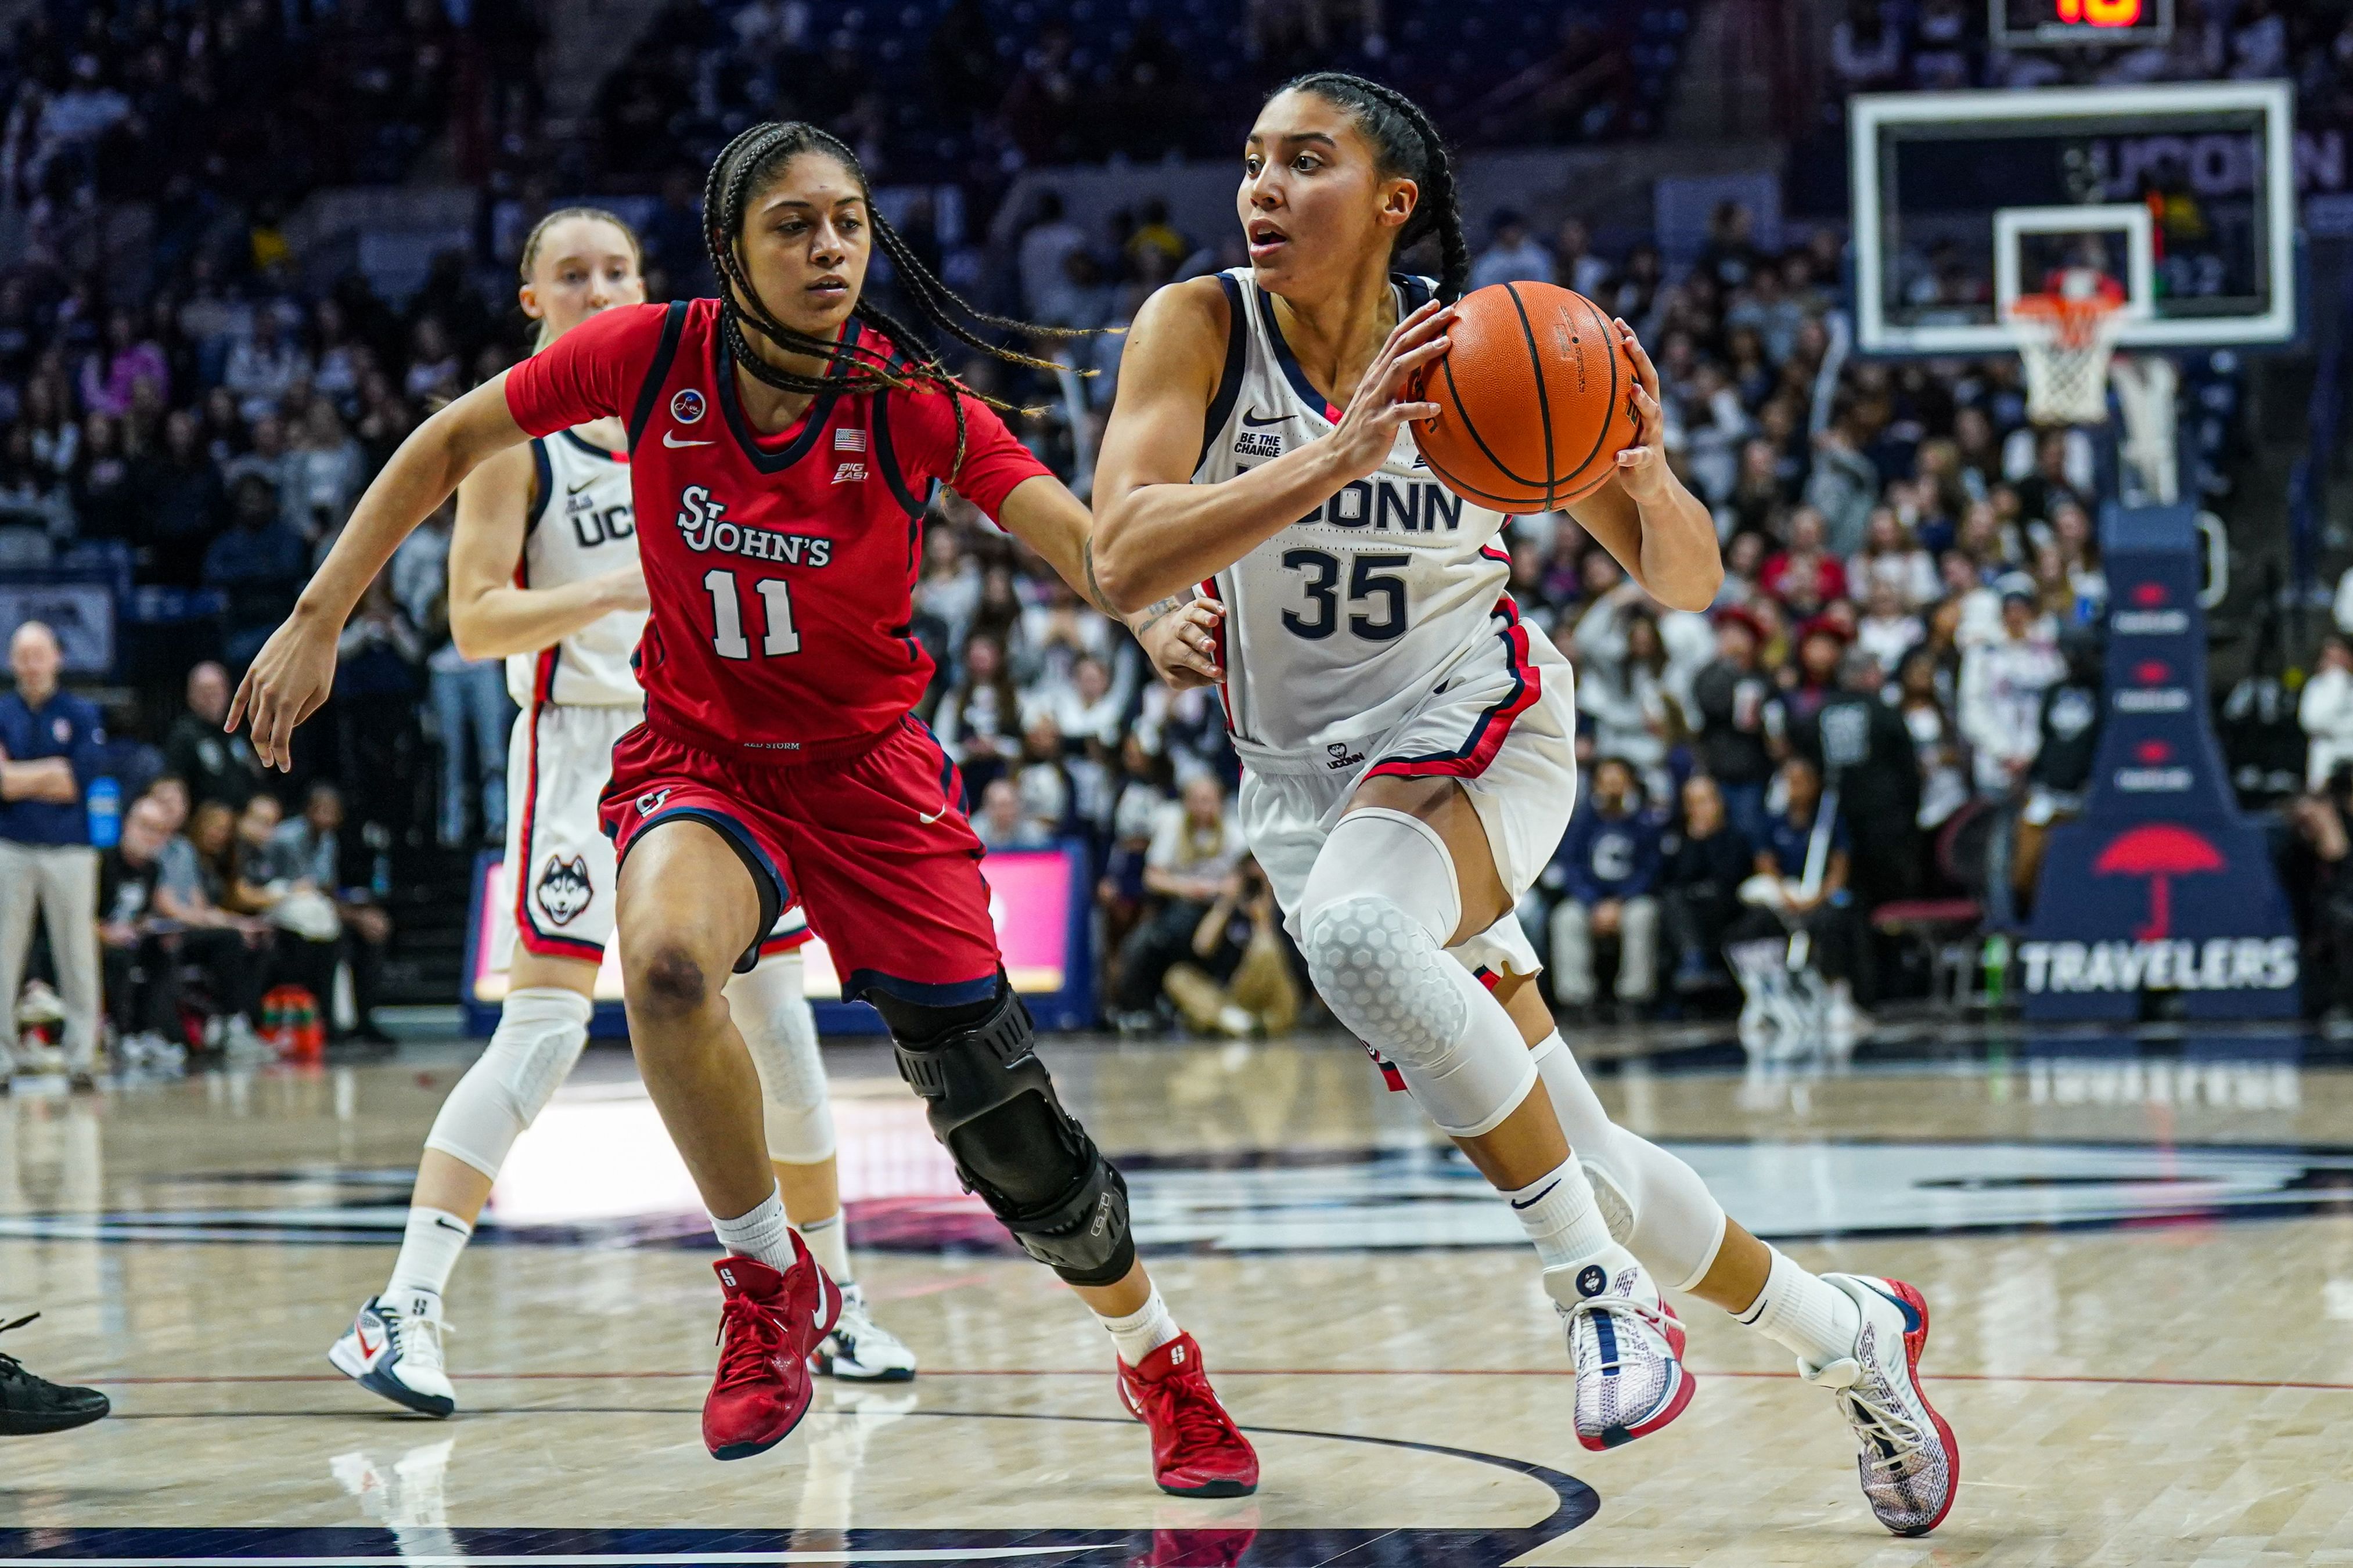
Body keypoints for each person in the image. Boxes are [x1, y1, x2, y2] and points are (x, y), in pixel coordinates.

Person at [229, 131, 1255, 1493]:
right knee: (656, 964)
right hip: (701, 759)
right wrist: (318, 617)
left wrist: (1136, 610)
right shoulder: (650, 354)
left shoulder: (902, 395)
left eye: (846, 223)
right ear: (733, 251)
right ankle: (769, 1280)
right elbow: (449, 437)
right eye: (793, 225)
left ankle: (1157, 1356)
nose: (829, 248)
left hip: (867, 776)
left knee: (1004, 1123)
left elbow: (1056, 521)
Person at [1088, 69, 1956, 1535]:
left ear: (1390, 201)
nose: (1259, 186)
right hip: (1303, 786)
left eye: (1304, 161)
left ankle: (1594, 1296)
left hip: (1474, 725)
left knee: (1363, 938)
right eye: (1250, 159)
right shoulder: (1198, 323)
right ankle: (1843, 1329)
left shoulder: (1498, 348)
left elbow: (1683, 576)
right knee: (1592, 1156)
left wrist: (1655, 473)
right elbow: (1120, 552)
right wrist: (1326, 463)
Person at [325, 208, 920, 1418]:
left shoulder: (700, 415)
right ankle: (404, 1307)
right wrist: (612, 584)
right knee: (541, 1035)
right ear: (531, 304)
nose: (598, 289)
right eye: (569, 275)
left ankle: (836, 1303)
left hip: (721, 755)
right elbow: (474, 620)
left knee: (787, 1043)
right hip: (578, 750)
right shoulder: (518, 444)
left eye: (617, 271)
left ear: (651, 289)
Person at [0, 621, 104, 1091]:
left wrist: (19, 777)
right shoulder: (3, 711)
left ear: (57, 659)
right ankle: (3, 1060)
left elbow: (74, 782)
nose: (32, 664)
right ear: (12, 661)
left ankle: (81, 1057)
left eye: (40, 654)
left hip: (71, 851)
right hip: (12, 847)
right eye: (23, 655)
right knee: (4, 954)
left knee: (77, 954)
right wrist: (47, 773)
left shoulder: (82, 714)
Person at [1113, 773, 1246, 1026]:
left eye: (1208, 800)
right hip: (1178, 904)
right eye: (1195, 800)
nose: (1202, 807)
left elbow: (1239, 880)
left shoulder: (1234, 833)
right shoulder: (1172, 826)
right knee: (1146, 941)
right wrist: (1190, 888)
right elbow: (1152, 878)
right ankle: (1138, 1009)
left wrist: (1221, 896)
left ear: (1220, 802)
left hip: (1221, 910)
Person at [1545, 757, 1662, 1018]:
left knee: (1642, 916)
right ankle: (1577, 999)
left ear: (1631, 784)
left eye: (1618, 782)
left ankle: (1635, 999)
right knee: (1566, 918)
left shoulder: (1645, 823)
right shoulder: (1582, 823)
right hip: (1591, 901)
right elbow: (1571, 867)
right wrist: (1593, 903)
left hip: (1630, 900)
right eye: (1606, 782)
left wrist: (1620, 902)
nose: (1612, 788)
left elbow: (1651, 869)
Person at [1161, 855, 1301, 1037]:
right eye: (1249, 880)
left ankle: (1229, 1023)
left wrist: (1263, 919)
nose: (1253, 886)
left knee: (1266, 951)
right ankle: (1242, 1023)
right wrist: (1226, 902)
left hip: (1268, 996)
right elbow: (1202, 947)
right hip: (1229, 993)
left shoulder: (1282, 913)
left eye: (1260, 880)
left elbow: (1285, 964)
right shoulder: (1226, 909)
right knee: (1177, 976)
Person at [98, 795, 185, 1070]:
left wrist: (150, 927)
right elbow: (75, 919)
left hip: (129, 938)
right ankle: (121, 1035)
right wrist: (104, 933)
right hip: (96, 941)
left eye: (159, 831)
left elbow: (139, 915)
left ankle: (149, 1031)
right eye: (145, 826)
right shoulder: (101, 862)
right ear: (127, 825)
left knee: (162, 950)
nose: (151, 836)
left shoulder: (153, 869)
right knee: (120, 956)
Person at [1658, 773, 1753, 992]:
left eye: (1705, 801)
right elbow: (1674, 878)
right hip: (1686, 907)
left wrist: (1708, 840)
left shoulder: (1735, 837)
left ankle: (1701, 963)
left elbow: (1730, 878)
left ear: (1719, 802)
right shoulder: (1678, 838)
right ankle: (1693, 960)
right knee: (1671, 900)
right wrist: (1695, 842)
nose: (1699, 809)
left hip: (1724, 905)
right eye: (1692, 803)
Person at [163, 662, 266, 812]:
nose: (213, 696)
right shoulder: (183, 735)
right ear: (191, 695)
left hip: (245, 818)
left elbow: (255, 771)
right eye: (205, 691)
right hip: (204, 822)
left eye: (218, 689)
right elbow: (176, 785)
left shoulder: (238, 729)